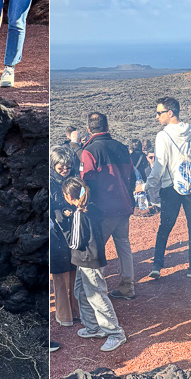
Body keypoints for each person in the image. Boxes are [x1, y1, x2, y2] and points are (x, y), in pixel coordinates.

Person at [145, 96, 191, 279]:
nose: (157, 116)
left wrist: (147, 185)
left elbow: (159, 166)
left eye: (159, 113)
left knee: (165, 226)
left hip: (169, 187)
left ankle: (157, 265)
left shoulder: (163, 136)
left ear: (170, 113)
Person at [63, 175, 126, 352]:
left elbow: (74, 243)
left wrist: (64, 224)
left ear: (68, 196)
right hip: (90, 259)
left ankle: (115, 333)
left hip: (87, 260)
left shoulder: (79, 214)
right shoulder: (92, 208)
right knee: (82, 292)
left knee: (97, 296)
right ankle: (93, 327)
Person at [78, 111, 136, 300]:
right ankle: (128, 285)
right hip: (124, 205)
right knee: (123, 246)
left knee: (95, 248)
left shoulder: (89, 151)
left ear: (88, 129)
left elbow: (87, 182)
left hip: (104, 210)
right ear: (107, 127)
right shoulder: (121, 147)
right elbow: (132, 177)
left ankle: (96, 293)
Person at [49, 145, 79, 326]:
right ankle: (64, 315)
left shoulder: (76, 178)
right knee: (60, 274)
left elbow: (83, 196)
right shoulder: (49, 182)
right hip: (56, 232)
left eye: (68, 167)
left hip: (74, 230)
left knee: (75, 272)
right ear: (53, 165)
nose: (65, 170)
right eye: (61, 167)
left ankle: (77, 311)